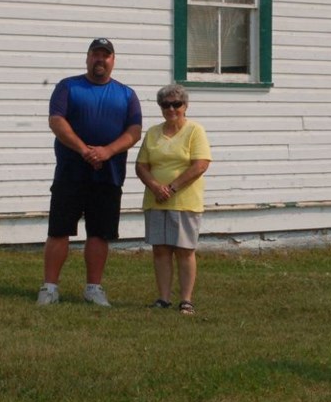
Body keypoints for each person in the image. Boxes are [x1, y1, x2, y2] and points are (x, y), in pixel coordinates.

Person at [37, 38, 142, 307]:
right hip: (71, 172)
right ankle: (49, 288)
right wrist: (85, 150)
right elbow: (57, 121)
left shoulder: (127, 94)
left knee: (99, 233)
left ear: (113, 60)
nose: (100, 60)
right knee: (59, 230)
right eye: (95, 55)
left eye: (105, 56)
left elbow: (134, 132)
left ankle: (93, 288)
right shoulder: (68, 87)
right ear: (87, 58)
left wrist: (106, 152)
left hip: (108, 175)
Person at [135, 84, 212, 315]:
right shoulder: (152, 133)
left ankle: (186, 300)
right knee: (160, 250)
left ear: (185, 106)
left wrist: (172, 188)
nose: (171, 109)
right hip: (156, 200)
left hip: (185, 201)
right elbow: (141, 166)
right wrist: (156, 187)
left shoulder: (195, 131)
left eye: (176, 104)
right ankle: (163, 298)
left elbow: (201, 164)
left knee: (184, 250)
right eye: (166, 104)